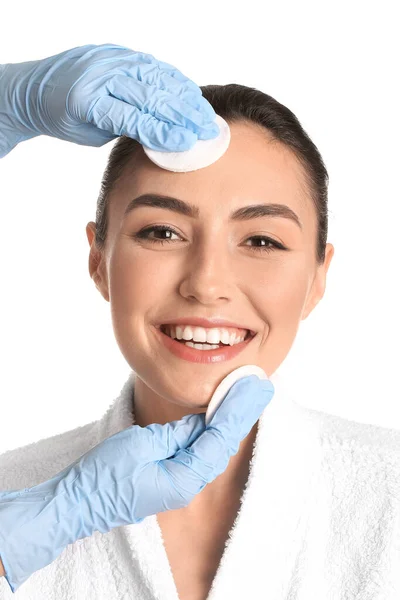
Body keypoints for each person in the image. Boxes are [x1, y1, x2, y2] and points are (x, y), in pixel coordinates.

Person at [1, 43, 400, 600]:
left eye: (261, 240)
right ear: (100, 261)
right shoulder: (15, 503)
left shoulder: (390, 497)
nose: (207, 282)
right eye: (161, 232)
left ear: (317, 279)